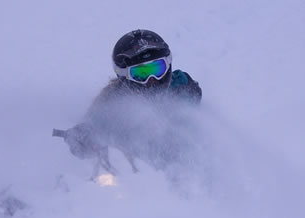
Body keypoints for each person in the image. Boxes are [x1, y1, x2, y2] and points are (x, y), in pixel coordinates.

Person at [54, 29, 202, 175]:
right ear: (123, 76)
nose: (151, 79)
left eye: (157, 69)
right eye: (140, 74)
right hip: (136, 174)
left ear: (168, 65)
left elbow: (193, 96)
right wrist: (82, 139)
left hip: (185, 165)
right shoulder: (111, 102)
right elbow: (92, 125)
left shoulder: (180, 84)